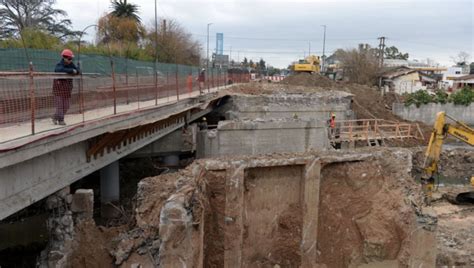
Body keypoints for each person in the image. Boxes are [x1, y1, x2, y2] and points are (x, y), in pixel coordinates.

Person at [52, 49, 79, 125]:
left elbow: (78, 70)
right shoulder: (59, 65)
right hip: (59, 89)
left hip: (67, 89)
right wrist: (71, 71)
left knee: (66, 106)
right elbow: (58, 70)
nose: (71, 60)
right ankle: (61, 120)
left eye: (71, 59)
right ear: (64, 58)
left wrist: (76, 71)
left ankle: (55, 117)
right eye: (69, 59)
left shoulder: (71, 64)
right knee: (60, 105)